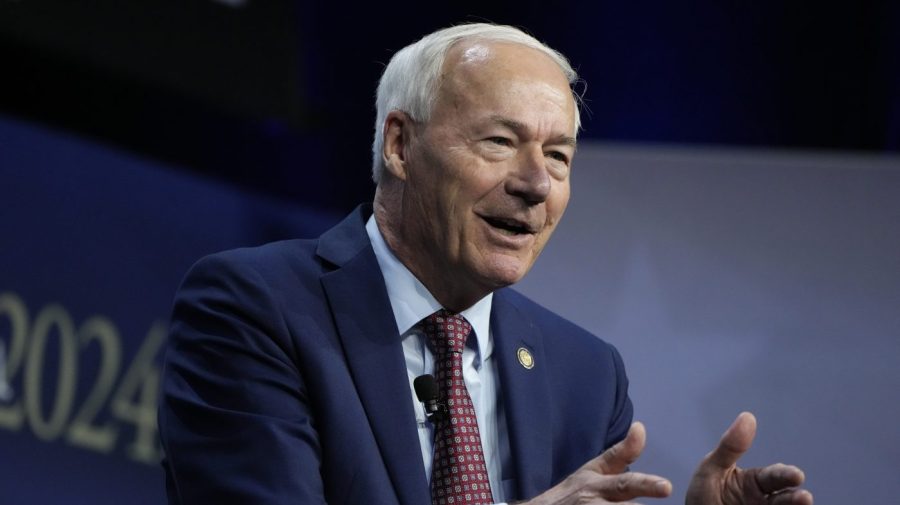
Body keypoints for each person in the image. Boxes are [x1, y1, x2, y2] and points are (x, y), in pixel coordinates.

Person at [159, 23, 813, 505]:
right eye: (500, 141)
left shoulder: (584, 377)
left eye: (558, 156)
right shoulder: (255, 307)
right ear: (400, 144)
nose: (535, 182)